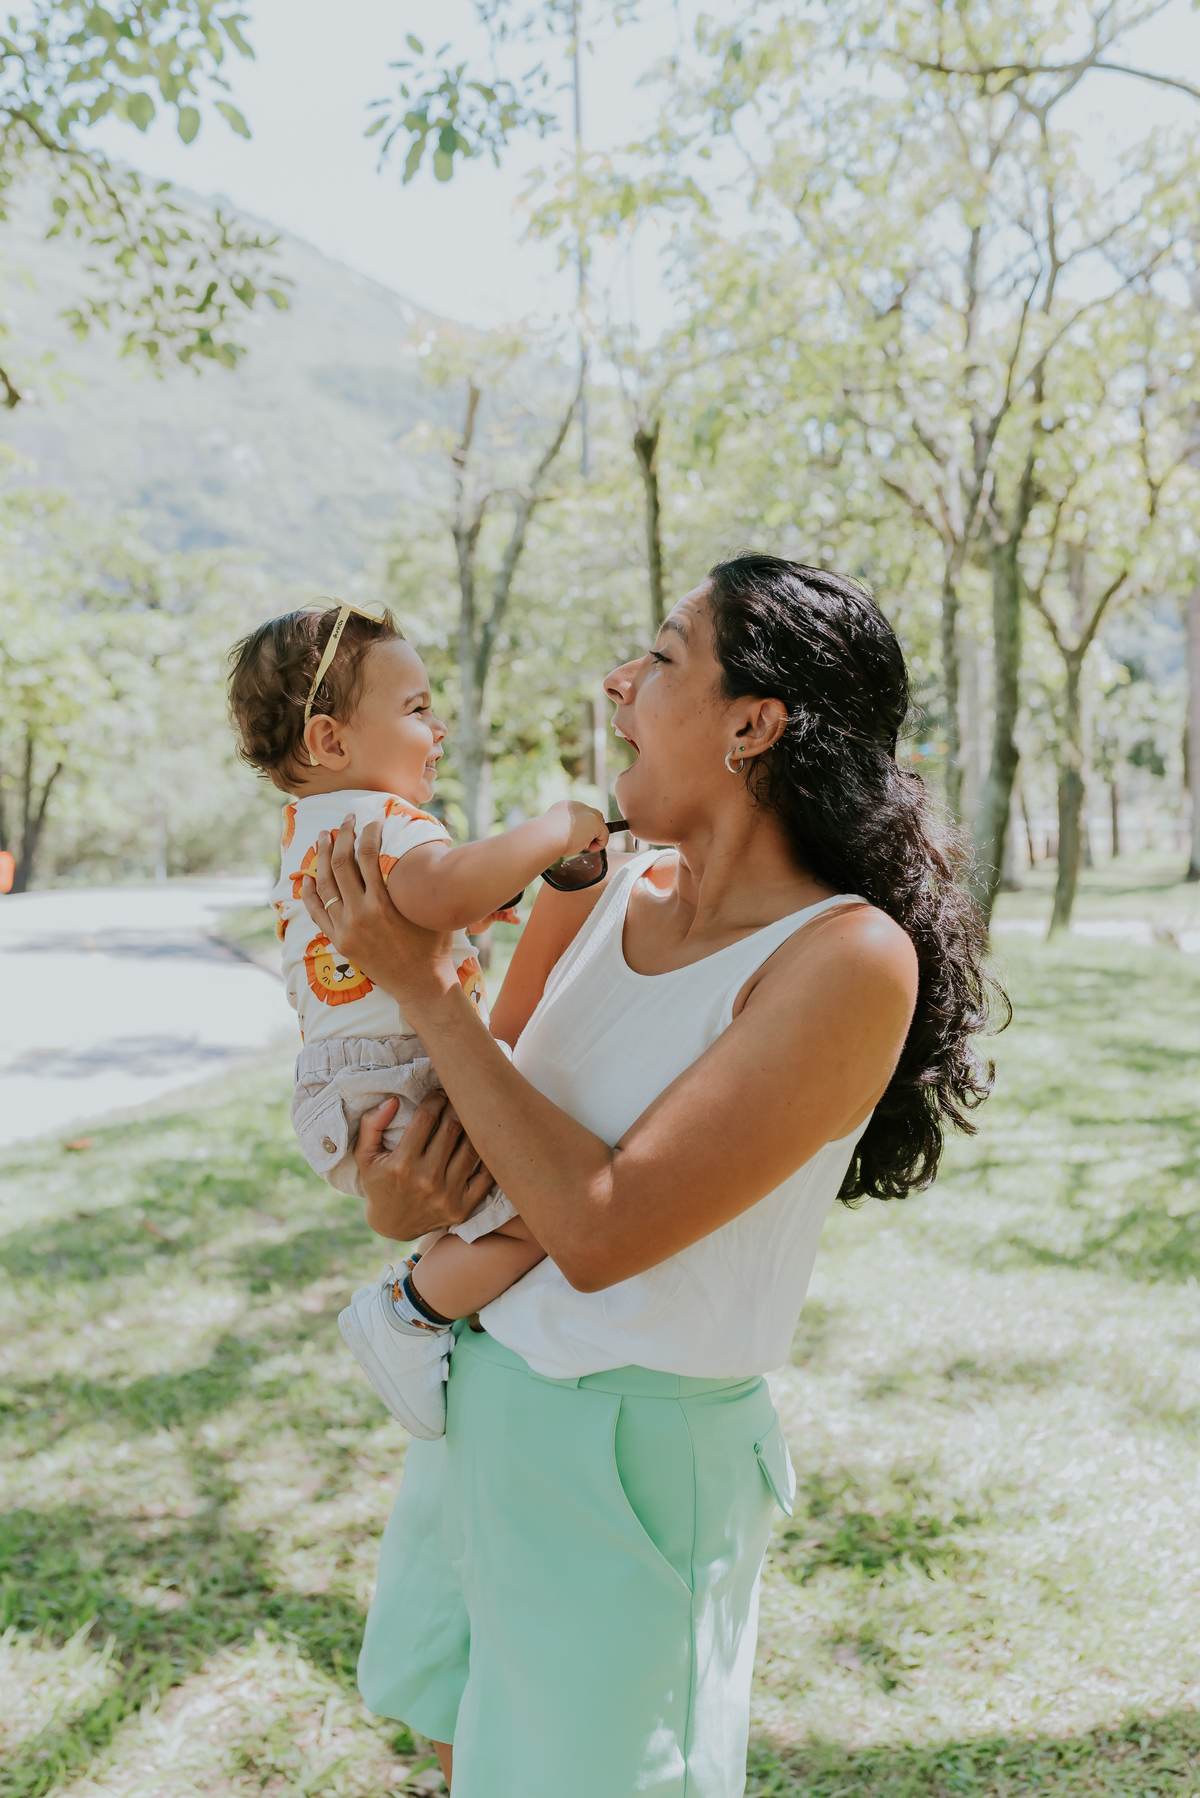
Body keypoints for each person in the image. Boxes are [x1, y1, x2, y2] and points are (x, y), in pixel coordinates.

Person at [300, 557, 1004, 1798]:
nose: (620, 681)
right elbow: (470, 1132)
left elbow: (600, 1226)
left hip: (631, 1463)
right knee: (469, 1755)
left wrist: (417, 982)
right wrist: (396, 1195)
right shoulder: (598, 883)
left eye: (664, 655)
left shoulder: (847, 957)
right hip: (481, 1408)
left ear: (751, 724)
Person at [227, 602, 608, 1437]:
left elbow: (406, 926)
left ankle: (428, 1309)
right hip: (397, 1074)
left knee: (502, 1209)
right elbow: (438, 886)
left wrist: (468, 917)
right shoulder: (384, 819)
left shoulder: (311, 828)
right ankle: (405, 1318)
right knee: (546, 1215)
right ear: (331, 741)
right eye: (416, 709)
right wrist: (557, 827)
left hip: (352, 1082)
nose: (437, 730)